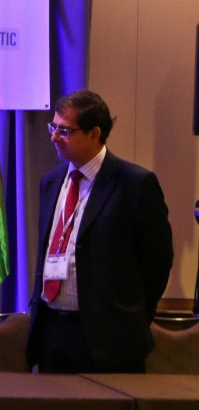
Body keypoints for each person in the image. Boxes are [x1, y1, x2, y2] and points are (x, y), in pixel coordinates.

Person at [27, 89, 173, 373]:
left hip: (110, 340)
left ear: (95, 133)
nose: (54, 137)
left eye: (65, 131)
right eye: (53, 127)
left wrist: (133, 316)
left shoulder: (134, 184)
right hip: (52, 333)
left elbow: (158, 261)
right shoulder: (51, 181)